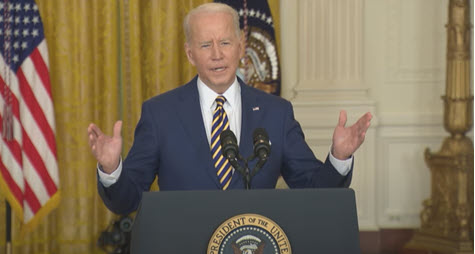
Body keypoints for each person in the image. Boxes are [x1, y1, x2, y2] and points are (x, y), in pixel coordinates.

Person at [87, 2, 372, 215]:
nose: (217, 54)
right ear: (189, 53)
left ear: (240, 46)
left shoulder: (277, 113)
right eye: (205, 45)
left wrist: (338, 157)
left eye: (225, 42)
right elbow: (128, 200)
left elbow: (314, 191)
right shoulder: (159, 114)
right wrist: (112, 169)